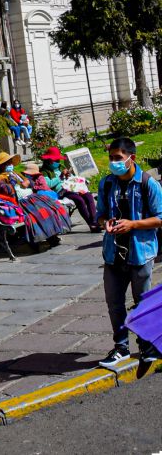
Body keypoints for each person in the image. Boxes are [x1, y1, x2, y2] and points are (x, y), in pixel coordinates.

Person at [97, 135, 162, 368]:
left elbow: (160, 218)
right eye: (111, 158)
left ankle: (147, 346)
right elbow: (100, 215)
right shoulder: (106, 183)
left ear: (131, 158)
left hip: (140, 253)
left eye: (118, 158)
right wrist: (105, 222)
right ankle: (121, 347)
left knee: (142, 303)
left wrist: (133, 224)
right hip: (113, 253)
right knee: (114, 303)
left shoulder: (147, 183)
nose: (113, 162)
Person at [38, 147, 98, 229]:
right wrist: (60, 177)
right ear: (49, 160)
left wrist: (70, 177)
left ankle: (94, 221)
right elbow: (49, 184)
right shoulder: (44, 171)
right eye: (56, 160)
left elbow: (72, 178)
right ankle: (91, 224)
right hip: (61, 191)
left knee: (88, 196)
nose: (57, 162)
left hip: (72, 187)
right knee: (79, 200)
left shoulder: (60, 167)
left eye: (58, 160)